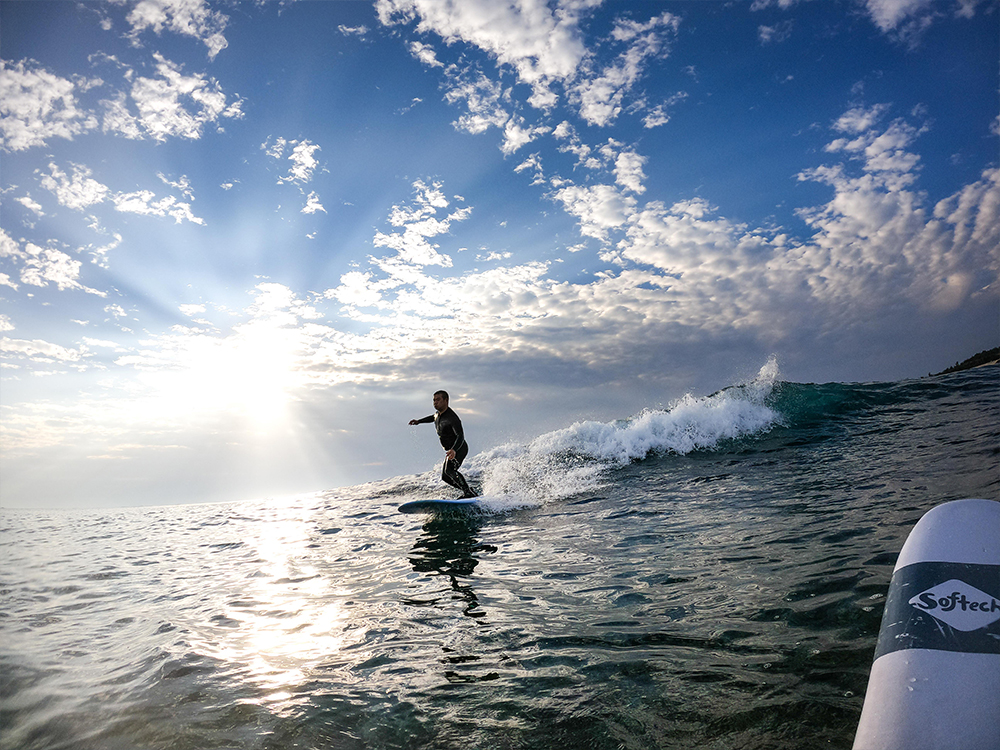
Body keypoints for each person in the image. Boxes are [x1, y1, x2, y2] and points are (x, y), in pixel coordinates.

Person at [409, 390, 477, 498]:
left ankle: (468, 492)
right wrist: (418, 421)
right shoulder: (437, 414)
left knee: (450, 470)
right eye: (434, 400)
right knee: (445, 477)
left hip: (459, 448)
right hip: (450, 450)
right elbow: (432, 418)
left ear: (446, 400)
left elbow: (460, 436)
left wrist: (454, 450)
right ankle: (468, 490)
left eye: (438, 400)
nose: (435, 402)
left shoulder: (452, 418)